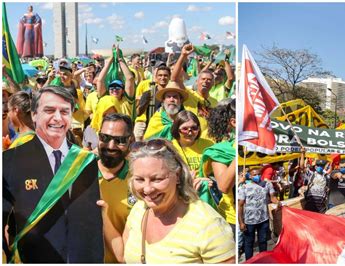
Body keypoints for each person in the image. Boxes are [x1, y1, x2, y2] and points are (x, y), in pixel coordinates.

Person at [3, 86, 103, 262]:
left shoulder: (86, 161)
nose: (58, 118)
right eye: (49, 110)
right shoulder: (10, 160)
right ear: (34, 115)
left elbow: (91, 226)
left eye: (64, 111)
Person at [98, 139, 235, 263]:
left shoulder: (208, 224)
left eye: (157, 179)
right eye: (139, 179)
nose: (147, 189)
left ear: (177, 175)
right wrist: (103, 215)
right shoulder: (139, 209)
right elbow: (123, 257)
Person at [97, 113, 135, 263]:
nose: (111, 146)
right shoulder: (79, 172)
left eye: (119, 140)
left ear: (130, 141)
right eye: (105, 138)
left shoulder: (140, 181)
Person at [200, 98, 236, 235]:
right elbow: (223, 186)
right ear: (233, 122)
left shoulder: (258, 147)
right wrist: (238, 154)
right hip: (231, 219)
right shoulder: (220, 151)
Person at [238, 167, 279, 260]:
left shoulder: (267, 184)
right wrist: (241, 222)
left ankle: (262, 260)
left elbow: (273, 198)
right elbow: (240, 206)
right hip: (249, 221)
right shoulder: (244, 187)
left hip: (263, 219)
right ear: (250, 176)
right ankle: (249, 261)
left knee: (263, 241)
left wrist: (279, 203)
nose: (257, 176)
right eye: (254, 175)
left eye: (258, 174)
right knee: (249, 243)